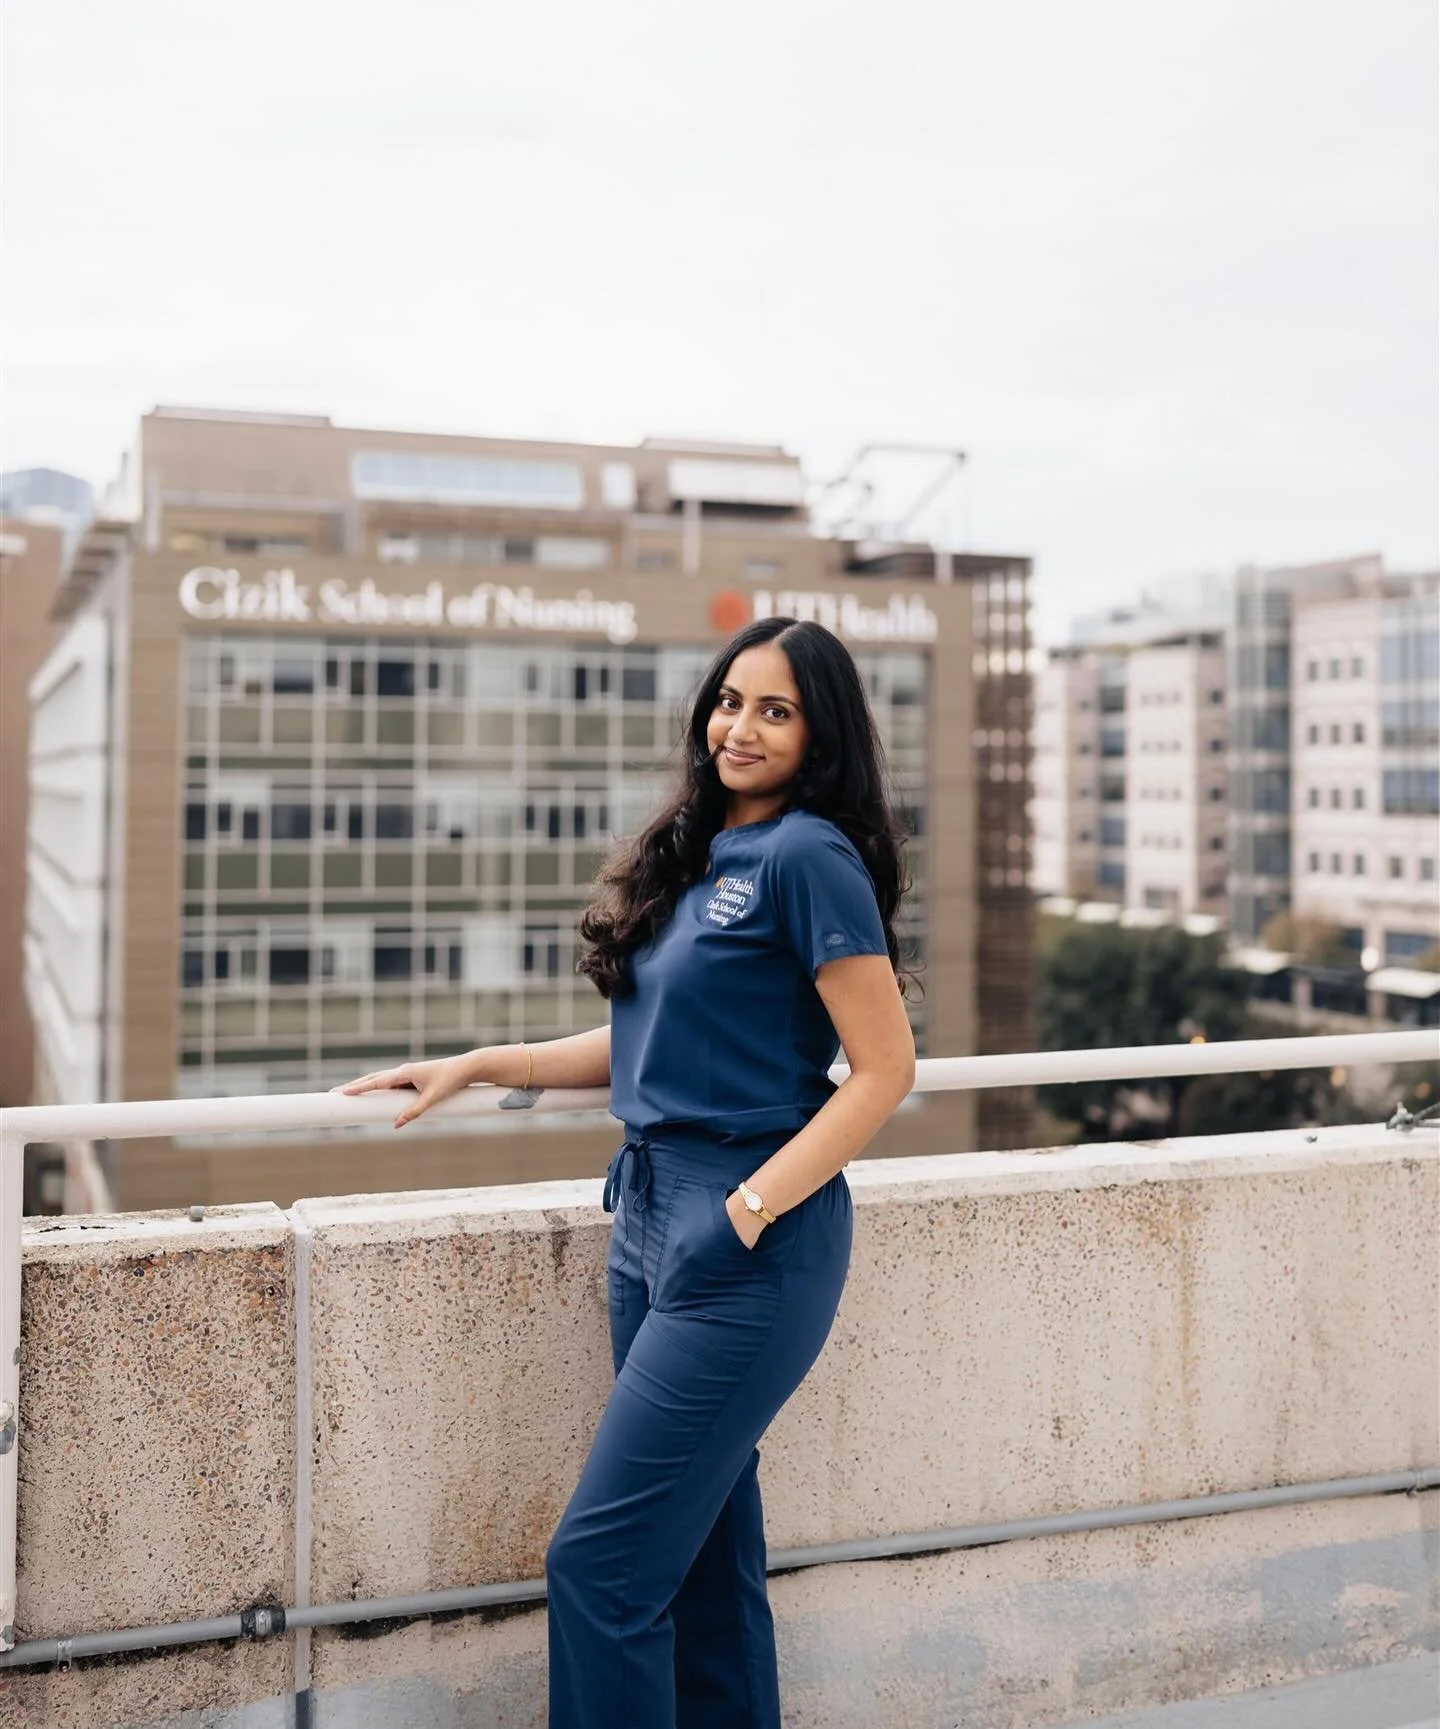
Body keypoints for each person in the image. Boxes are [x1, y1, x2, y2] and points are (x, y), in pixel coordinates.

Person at [338, 616, 917, 1729]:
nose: (740, 728)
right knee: (701, 1555)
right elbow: (650, 1041)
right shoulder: (702, 849)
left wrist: (745, 1210)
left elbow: (885, 1070)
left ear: (822, 734)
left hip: (749, 1235)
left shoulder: (808, 856)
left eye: (777, 711)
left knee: (600, 1568)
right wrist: (482, 1063)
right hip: (648, 1212)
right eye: (731, 701)